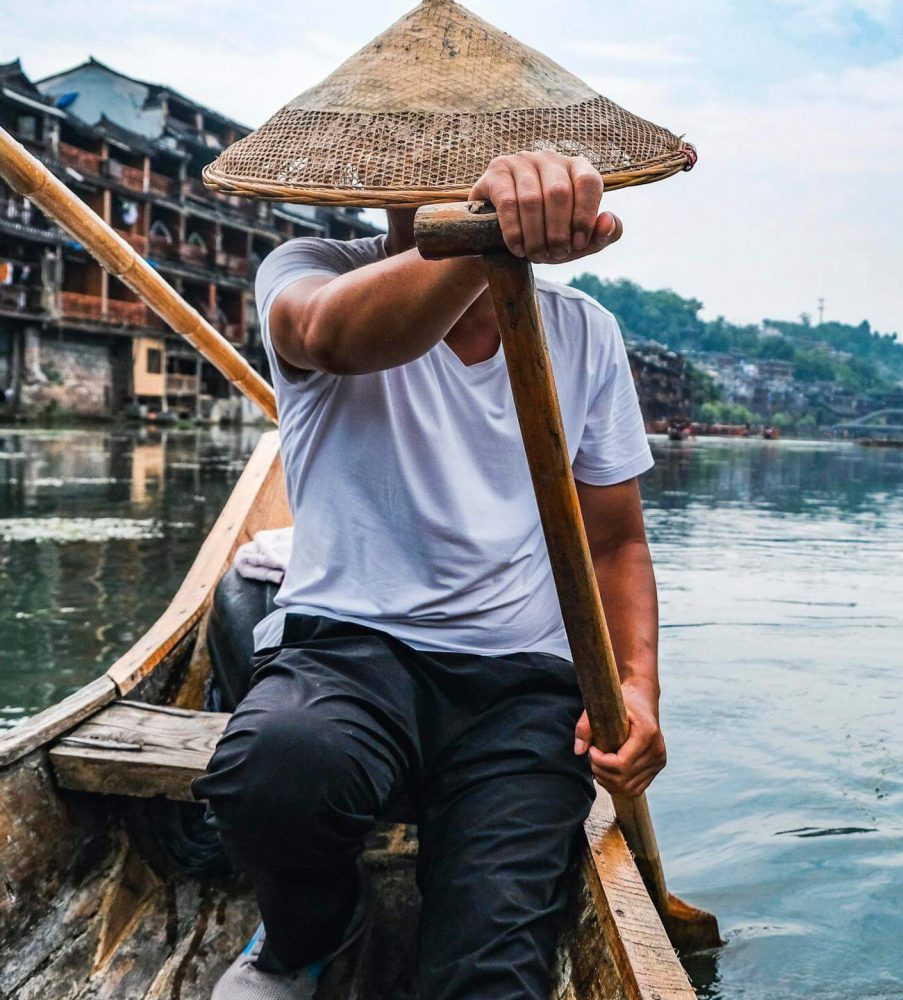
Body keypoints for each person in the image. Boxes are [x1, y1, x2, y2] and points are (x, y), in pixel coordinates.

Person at [189, 3, 697, 998]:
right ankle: (307, 933)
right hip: (348, 651)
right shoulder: (308, 272)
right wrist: (484, 242)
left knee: (492, 973)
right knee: (273, 773)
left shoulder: (585, 333)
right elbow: (335, 337)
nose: (455, 179)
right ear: (378, 186)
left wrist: (638, 690)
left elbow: (617, 540)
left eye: (482, 169)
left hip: (519, 689)